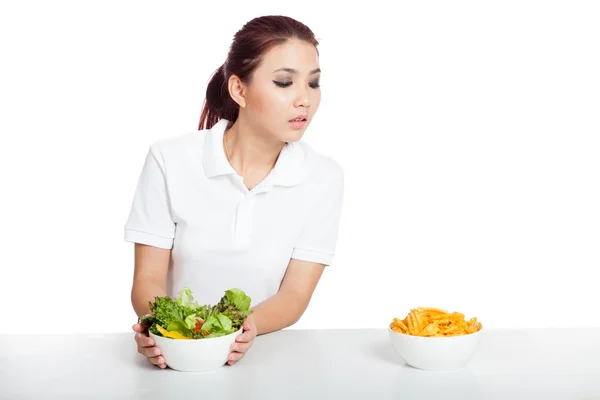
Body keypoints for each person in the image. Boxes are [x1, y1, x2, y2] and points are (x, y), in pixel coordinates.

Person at [126, 15, 345, 369]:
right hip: (175, 363)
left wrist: (242, 330)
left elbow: (295, 294)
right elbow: (147, 279)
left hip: (265, 362)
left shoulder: (324, 177)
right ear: (239, 89)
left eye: (314, 83)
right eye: (284, 82)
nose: (304, 99)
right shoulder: (170, 159)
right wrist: (164, 330)